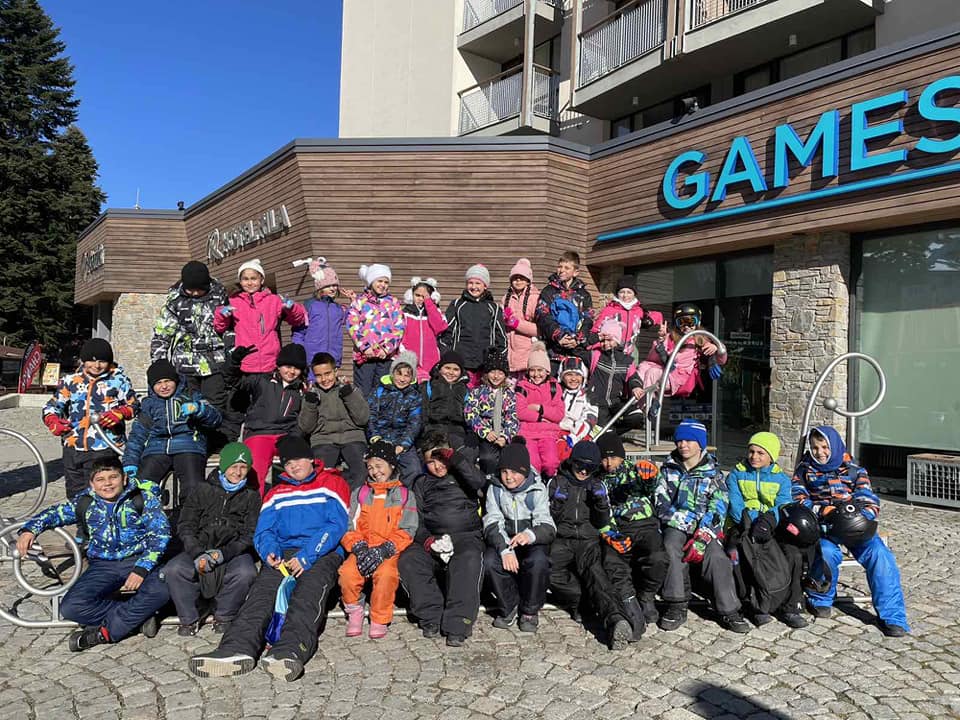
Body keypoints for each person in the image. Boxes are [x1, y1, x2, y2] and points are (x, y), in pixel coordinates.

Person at [189, 434, 349, 682]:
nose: (293, 466)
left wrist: (306, 557)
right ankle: (236, 648)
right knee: (261, 596)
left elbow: (335, 525)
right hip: (283, 553)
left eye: (298, 460)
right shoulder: (276, 492)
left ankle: (290, 650)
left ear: (310, 459)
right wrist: (270, 553)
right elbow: (264, 531)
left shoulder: (332, 484)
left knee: (307, 595)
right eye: (288, 463)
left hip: (320, 552)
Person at [17, 457, 170, 651]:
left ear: (124, 479)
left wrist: (142, 568)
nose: (107, 484)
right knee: (71, 607)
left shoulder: (142, 499)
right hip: (104, 565)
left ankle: (107, 632)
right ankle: (139, 619)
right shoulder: (86, 502)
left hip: (138, 559)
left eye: (113, 477)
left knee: (162, 589)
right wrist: (30, 529)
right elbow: (55, 513)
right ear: (92, 484)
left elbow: (160, 534)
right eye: (100, 479)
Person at [792, 425, 909, 636]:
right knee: (826, 553)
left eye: (825, 447)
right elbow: (798, 498)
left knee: (880, 556)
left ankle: (892, 617)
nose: (820, 452)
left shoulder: (854, 470)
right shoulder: (805, 470)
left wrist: (861, 515)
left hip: (854, 526)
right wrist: (821, 511)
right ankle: (821, 597)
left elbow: (869, 499)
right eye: (815, 448)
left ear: (834, 446)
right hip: (825, 527)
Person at [654, 419, 750, 633]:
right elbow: (661, 503)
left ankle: (728, 609)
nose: (683, 445)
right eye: (679, 440)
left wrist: (704, 534)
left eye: (689, 440)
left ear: (700, 444)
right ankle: (676, 603)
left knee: (717, 557)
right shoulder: (668, 469)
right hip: (676, 524)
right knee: (670, 546)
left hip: (705, 528)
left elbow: (719, 506)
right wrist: (684, 523)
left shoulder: (713, 473)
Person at [162, 442, 260, 636]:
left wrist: (224, 553)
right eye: (233, 466)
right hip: (199, 546)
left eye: (243, 467)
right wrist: (196, 552)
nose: (238, 472)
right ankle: (190, 617)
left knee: (245, 573)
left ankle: (224, 614)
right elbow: (186, 525)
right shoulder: (201, 489)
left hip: (232, 550)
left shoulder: (251, 496)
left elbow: (249, 533)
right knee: (175, 570)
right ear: (224, 466)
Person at [398, 431, 486, 647]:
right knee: (409, 560)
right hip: (434, 539)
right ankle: (431, 615)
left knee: (469, 559)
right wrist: (428, 541)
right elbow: (415, 521)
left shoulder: (463, 475)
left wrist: (456, 459)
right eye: (431, 462)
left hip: (466, 536)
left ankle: (458, 622)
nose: (437, 467)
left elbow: (479, 481)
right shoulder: (421, 483)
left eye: (441, 460)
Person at [547, 440, 635, 650]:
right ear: (572, 462)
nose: (584, 471)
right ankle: (582, 602)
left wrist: (601, 504)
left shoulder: (597, 484)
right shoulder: (556, 482)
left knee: (596, 575)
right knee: (547, 570)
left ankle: (616, 620)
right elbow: (545, 519)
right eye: (580, 465)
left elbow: (603, 522)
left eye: (590, 467)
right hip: (561, 538)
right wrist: (556, 505)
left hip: (588, 539)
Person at [724, 431, 807, 628]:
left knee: (793, 555)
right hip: (742, 524)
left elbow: (783, 504)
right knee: (742, 554)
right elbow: (735, 504)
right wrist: (754, 520)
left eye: (761, 453)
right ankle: (755, 604)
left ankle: (790, 605)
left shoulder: (781, 479)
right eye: (751, 451)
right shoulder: (737, 474)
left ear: (771, 456)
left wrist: (769, 521)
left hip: (772, 526)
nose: (754, 456)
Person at [339, 441, 418, 640]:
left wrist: (385, 549)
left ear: (391, 465)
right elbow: (349, 525)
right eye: (370, 467)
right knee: (347, 574)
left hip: (388, 549)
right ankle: (354, 610)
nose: (375, 472)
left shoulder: (404, 495)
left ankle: (379, 617)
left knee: (386, 576)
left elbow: (408, 529)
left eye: (379, 466)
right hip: (364, 546)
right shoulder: (360, 493)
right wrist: (358, 546)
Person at [150, 261, 235, 446]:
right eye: (191, 290)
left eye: (199, 290)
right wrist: (159, 364)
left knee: (215, 402)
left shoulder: (220, 297)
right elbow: (162, 334)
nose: (195, 293)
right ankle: (192, 442)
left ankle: (215, 442)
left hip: (214, 362)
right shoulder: (175, 301)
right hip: (185, 363)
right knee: (187, 403)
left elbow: (229, 329)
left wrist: (232, 353)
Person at [42, 338, 139, 498]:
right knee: (75, 495)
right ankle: (79, 514)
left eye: (102, 361)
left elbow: (134, 405)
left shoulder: (118, 381)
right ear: (83, 360)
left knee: (101, 494)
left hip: (104, 447)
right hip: (73, 446)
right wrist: (52, 420)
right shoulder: (70, 381)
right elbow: (52, 406)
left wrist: (120, 412)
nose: (97, 365)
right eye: (91, 361)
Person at [122, 359, 222, 505]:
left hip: (188, 446)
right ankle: (146, 514)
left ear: (176, 380)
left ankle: (188, 516)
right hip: (157, 449)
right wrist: (130, 462)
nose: (164, 387)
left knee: (193, 487)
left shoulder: (190, 396)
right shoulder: (149, 404)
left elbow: (215, 419)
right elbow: (138, 435)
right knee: (140, 487)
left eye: (167, 381)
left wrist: (199, 410)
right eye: (158, 383)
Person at [596, 432, 668, 634]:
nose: (609, 463)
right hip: (617, 528)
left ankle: (647, 595)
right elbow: (600, 510)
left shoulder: (634, 470)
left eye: (613, 457)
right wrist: (609, 533)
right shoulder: (597, 479)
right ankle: (629, 603)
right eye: (604, 458)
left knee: (658, 557)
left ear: (622, 456)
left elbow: (650, 485)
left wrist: (652, 475)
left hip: (645, 524)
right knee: (612, 561)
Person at [482, 438, 555, 632]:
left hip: (530, 539)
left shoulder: (537, 489)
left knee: (538, 561)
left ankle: (530, 609)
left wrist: (530, 535)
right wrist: (505, 549)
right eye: (504, 471)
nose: (509, 477)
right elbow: (492, 521)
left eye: (514, 472)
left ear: (524, 472)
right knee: (489, 561)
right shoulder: (495, 488)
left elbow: (547, 525)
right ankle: (510, 604)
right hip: (506, 539)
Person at [225, 343, 308, 496]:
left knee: (300, 467)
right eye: (288, 366)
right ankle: (255, 505)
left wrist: (296, 436)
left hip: (286, 435)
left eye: (296, 368)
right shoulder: (262, 380)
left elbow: (303, 418)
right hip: (260, 432)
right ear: (279, 365)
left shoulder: (302, 389)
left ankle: (292, 503)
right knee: (256, 473)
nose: (291, 372)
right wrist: (234, 362)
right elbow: (234, 381)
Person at [213, 258, 307, 374]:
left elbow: (298, 320)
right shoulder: (233, 302)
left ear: (261, 280)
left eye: (254, 279)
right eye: (245, 279)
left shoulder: (274, 300)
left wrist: (292, 308)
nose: (249, 283)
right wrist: (221, 315)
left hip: (271, 361)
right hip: (245, 361)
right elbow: (219, 327)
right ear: (240, 281)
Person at [637, 303, 726, 420]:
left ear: (698, 322)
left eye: (690, 322)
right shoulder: (671, 338)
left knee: (652, 372)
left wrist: (717, 349)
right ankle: (638, 400)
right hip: (666, 372)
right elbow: (652, 359)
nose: (686, 326)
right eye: (681, 322)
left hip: (680, 379)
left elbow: (721, 360)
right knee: (643, 367)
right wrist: (660, 341)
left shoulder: (700, 340)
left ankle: (647, 406)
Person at [298, 352, 369, 491]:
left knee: (361, 472)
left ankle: (352, 501)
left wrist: (349, 395)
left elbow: (363, 418)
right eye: (319, 375)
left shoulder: (349, 388)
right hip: (324, 439)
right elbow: (306, 427)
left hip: (352, 437)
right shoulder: (312, 394)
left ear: (335, 371)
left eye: (327, 373)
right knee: (321, 474)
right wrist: (311, 404)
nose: (324, 379)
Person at [440, 263, 507, 388]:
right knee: (462, 394)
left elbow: (501, 337)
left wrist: (498, 360)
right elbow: (446, 332)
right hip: (461, 363)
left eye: (478, 283)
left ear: (485, 286)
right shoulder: (457, 305)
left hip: (485, 365)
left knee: (482, 396)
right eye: (470, 283)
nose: (474, 287)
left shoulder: (494, 308)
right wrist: (447, 356)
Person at [348, 262, 405, 398]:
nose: (383, 285)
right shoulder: (359, 302)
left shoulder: (393, 303)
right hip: (365, 357)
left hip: (385, 357)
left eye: (386, 282)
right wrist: (365, 347)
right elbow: (353, 326)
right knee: (363, 393)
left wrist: (387, 349)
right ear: (371, 281)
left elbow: (399, 327)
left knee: (382, 393)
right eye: (380, 281)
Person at [366, 350, 423, 479]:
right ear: (392, 373)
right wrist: (375, 437)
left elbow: (414, 423)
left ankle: (407, 491)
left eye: (407, 375)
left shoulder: (414, 396)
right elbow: (370, 415)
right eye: (399, 374)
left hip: (401, 439)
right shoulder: (379, 391)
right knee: (376, 467)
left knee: (414, 469)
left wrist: (402, 445)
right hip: (380, 437)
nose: (402, 379)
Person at [292, 257, 351, 379]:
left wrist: (354, 301)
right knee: (314, 388)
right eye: (328, 285)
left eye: (335, 285)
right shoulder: (310, 306)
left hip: (332, 358)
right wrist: (300, 351)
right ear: (320, 286)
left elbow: (352, 319)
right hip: (312, 359)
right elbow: (298, 332)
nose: (333, 288)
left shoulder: (338, 308)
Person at [535, 251, 594, 369]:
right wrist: (559, 335)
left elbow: (588, 319)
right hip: (554, 351)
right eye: (560, 266)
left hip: (576, 350)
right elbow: (542, 315)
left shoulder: (584, 295)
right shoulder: (548, 291)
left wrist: (577, 339)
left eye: (567, 268)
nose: (562, 270)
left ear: (575, 272)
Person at [464, 348, 519, 476]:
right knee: (488, 457)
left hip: (502, 434)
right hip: (485, 435)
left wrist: (505, 436)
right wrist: (485, 432)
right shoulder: (477, 392)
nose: (496, 376)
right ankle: (488, 479)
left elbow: (512, 417)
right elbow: (470, 414)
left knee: (511, 457)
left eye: (500, 373)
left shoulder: (509, 395)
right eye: (492, 372)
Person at [515, 342, 565, 479]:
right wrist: (540, 418)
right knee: (533, 463)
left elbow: (559, 414)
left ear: (547, 371)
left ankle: (548, 482)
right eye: (532, 370)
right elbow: (520, 411)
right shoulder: (522, 386)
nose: (536, 374)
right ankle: (534, 484)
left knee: (551, 463)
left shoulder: (554, 387)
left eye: (540, 370)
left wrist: (539, 408)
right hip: (527, 432)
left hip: (548, 433)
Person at [585, 319, 644, 428]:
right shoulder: (595, 355)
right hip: (597, 404)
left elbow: (633, 377)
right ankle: (609, 433)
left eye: (609, 340)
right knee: (602, 428)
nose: (605, 344)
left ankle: (613, 432)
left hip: (616, 403)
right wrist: (596, 338)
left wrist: (636, 386)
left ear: (617, 340)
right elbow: (578, 349)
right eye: (603, 341)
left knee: (636, 416)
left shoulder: (626, 360)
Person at [589, 276, 663, 359]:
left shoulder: (638, 310)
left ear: (634, 294)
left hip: (629, 354)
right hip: (609, 353)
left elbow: (658, 315)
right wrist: (597, 348)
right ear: (617, 293)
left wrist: (650, 320)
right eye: (622, 292)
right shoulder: (609, 310)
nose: (625, 295)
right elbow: (594, 332)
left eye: (629, 292)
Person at [401, 276, 447, 382]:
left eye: (425, 296)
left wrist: (429, 304)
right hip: (410, 362)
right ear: (411, 295)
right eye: (417, 295)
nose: (421, 299)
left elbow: (440, 327)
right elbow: (400, 336)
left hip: (431, 363)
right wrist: (404, 354)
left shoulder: (435, 313)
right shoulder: (405, 314)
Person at [420, 350, 471, 449]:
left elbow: (468, 414)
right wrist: (423, 432)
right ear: (440, 368)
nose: (451, 372)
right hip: (433, 429)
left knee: (466, 452)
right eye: (447, 368)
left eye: (456, 369)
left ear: (461, 372)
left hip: (457, 431)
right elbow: (423, 412)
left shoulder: (464, 390)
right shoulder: (429, 386)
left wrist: (470, 433)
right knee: (438, 452)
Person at [501, 258, 541, 378]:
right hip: (509, 354)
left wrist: (516, 323)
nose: (518, 280)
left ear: (528, 280)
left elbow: (540, 330)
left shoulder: (535, 298)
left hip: (527, 355)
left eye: (522, 278)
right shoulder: (506, 298)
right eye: (515, 278)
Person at [556, 357, 597, 459]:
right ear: (562, 377)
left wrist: (574, 436)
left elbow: (590, 418)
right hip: (557, 431)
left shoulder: (588, 395)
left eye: (578, 375)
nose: (574, 379)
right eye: (569, 374)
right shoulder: (556, 392)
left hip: (579, 434)